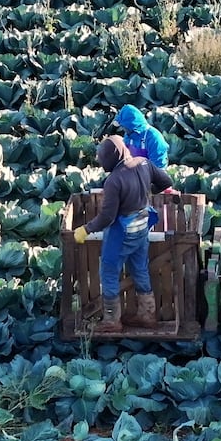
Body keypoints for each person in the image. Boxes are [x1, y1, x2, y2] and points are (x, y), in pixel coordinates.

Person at [73, 135, 173, 332]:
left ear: (110, 157)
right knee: (140, 268)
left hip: (123, 231)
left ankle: (111, 320)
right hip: (143, 225)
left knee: (109, 271)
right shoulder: (144, 163)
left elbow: (107, 217)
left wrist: (86, 229)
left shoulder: (114, 180)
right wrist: (146, 192)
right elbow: (166, 181)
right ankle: (147, 314)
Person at [114, 104, 169, 169]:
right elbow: (125, 156)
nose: (122, 129)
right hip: (135, 171)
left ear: (132, 126)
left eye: (124, 127)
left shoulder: (154, 138)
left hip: (152, 173)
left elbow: (158, 166)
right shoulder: (129, 134)